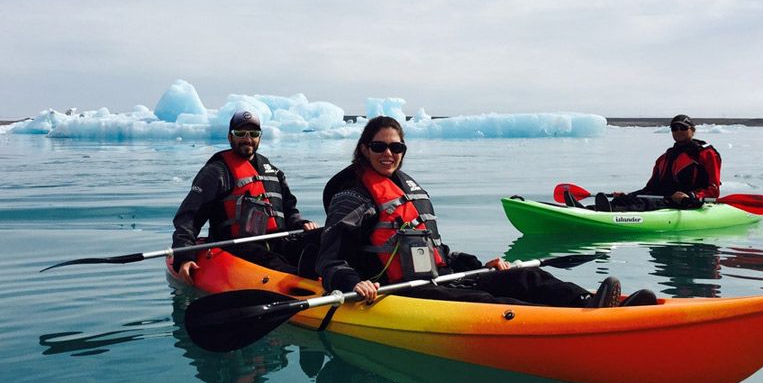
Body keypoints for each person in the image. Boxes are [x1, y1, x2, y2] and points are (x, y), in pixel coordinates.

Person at [316, 116, 656, 308]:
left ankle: (590, 302)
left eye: (396, 147)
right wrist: (352, 282)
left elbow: (438, 251)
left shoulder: (409, 190)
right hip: (397, 292)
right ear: (364, 148)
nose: (388, 153)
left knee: (522, 276)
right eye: (379, 146)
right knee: (486, 298)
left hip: (437, 277)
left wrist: (478, 265)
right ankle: (576, 319)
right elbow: (330, 260)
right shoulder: (352, 196)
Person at [171, 110, 318, 284]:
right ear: (229, 137)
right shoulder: (216, 172)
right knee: (277, 264)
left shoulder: (273, 171)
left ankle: (342, 275)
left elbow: (289, 209)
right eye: (240, 133)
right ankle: (310, 284)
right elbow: (189, 217)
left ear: (260, 137)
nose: (248, 139)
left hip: (278, 241)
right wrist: (184, 255)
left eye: (254, 134)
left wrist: (299, 223)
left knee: (324, 238)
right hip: (238, 247)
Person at [590, 114, 722, 212]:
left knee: (643, 203)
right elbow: (650, 189)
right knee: (624, 200)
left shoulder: (706, 154)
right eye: (675, 128)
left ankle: (602, 213)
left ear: (692, 130)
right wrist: (629, 195)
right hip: (662, 198)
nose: (678, 131)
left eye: (683, 128)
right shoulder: (665, 157)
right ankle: (588, 209)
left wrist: (691, 195)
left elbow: (713, 189)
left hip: (687, 202)